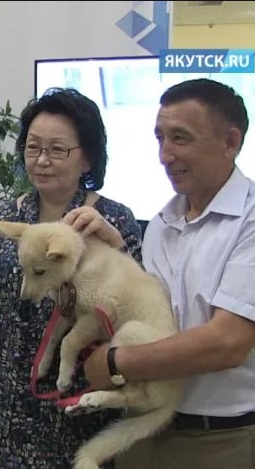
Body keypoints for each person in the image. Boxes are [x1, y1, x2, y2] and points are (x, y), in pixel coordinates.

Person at [0, 88, 143, 468]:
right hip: (0, 408)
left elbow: (134, 309)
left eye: (57, 149)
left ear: (87, 158)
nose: (41, 160)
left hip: (75, 411)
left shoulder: (112, 221)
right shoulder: (2, 220)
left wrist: (116, 243)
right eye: (33, 147)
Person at [79, 78, 254, 469]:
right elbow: (155, 315)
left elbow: (227, 343)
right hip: (144, 428)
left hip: (221, 439)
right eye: (160, 138)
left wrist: (116, 362)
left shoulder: (249, 221)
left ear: (230, 142)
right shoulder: (162, 223)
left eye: (180, 138)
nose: (165, 155)